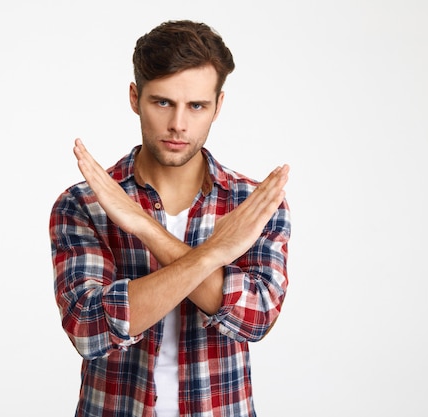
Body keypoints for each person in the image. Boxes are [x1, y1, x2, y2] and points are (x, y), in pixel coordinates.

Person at [50, 19, 291, 417]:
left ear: (218, 106)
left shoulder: (253, 204)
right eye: (162, 102)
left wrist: (145, 227)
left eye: (196, 106)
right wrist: (213, 254)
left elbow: (257, 317)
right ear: (134, 97)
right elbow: (88, 329)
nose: (178, 123)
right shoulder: (84, 204)